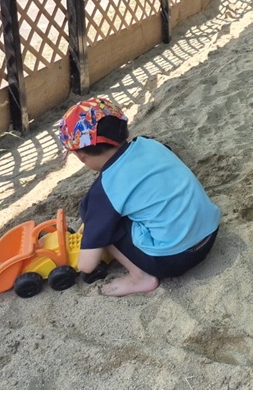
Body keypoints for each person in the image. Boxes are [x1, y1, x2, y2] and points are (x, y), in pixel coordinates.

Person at [58, 96, 221, 298]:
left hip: (174, 259)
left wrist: (93, 233)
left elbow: (87, 265)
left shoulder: (105, 190)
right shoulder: (150, 144)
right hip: (210, 232)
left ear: (81, 156)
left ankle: (140, 277)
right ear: (124, 129)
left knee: (93, 211)